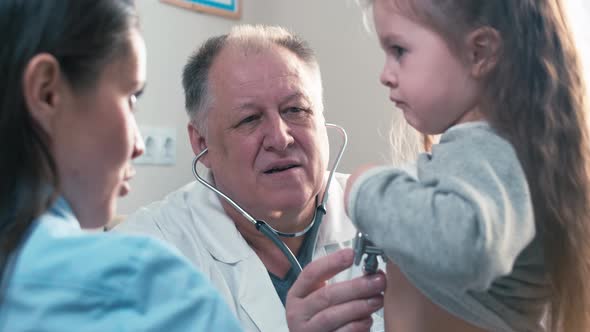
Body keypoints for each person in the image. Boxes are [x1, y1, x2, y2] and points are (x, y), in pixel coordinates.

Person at [113, 25, 386, 332]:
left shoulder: (391, 221)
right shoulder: (138, 261)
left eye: (296, 109)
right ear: (202, 143)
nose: (280, 138)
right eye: (249, 119)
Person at [345, 0, 590, 331]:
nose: (385, 75)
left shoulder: (490, 149)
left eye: (399, 50)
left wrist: (365, 189)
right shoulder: (488, 151)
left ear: (479, 53)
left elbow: (471, 244)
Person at [0, 1, 242, 330]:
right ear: (47, 92)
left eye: (296, 110)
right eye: (131, 97)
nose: (139, 146)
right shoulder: (145, 290)